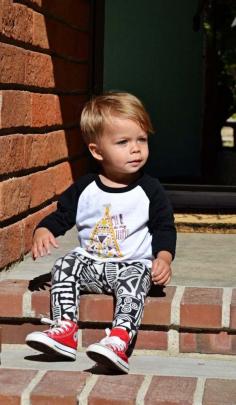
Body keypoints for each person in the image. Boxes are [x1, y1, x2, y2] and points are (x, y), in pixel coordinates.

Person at [25, 92, 176, 373]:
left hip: (131, 268)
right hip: (93, 266)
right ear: (97, 151)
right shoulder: (85, 188)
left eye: (141, 140)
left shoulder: (151, 189)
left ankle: (119, 339)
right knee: (65, 263)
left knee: (135, 276)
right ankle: (64, 330)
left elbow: (165, 227)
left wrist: (164, 258)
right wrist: (43, 230)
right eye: (123, 142)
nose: (136, 149)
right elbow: (62, 216)